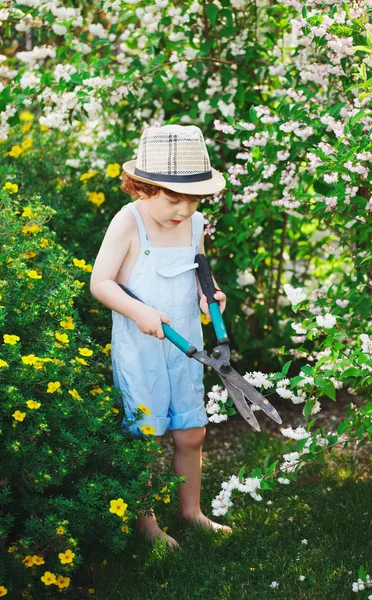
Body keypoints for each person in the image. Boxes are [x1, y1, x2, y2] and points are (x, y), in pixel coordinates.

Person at [90, 124, 232, 549]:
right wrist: (138, 311)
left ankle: (191, 511)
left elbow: (198, 270)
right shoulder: (128, 222)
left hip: (186, 344)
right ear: (143, 187)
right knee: (146, 434)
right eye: (174, 198)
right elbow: (101, 283)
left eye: (193, 200)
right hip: (142, 347)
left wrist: (210, 297)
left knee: (192, 431)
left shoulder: (194, 223)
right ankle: (146, 522)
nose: (184, 211)